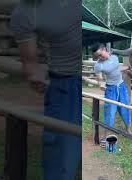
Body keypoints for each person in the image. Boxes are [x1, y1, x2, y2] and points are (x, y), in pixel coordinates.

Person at [9, 0, 81, 180]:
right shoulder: (25, 13)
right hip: (65, 87)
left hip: (87, 82)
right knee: (60, 165)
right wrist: (35, 73)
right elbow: (30, 63)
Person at [91, 43, 132, 141]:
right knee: (109, 112)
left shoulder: (115, 57)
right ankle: (106, 135)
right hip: (110, 90)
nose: (100, 57)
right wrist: (101, 84)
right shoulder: (98, 65)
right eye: (97, 56)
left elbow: (117, 69)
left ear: (104, 49)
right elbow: (99, 78)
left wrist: (127, 68)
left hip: (121, 87)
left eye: (101, 54)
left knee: (125, 108)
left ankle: (129, 130)